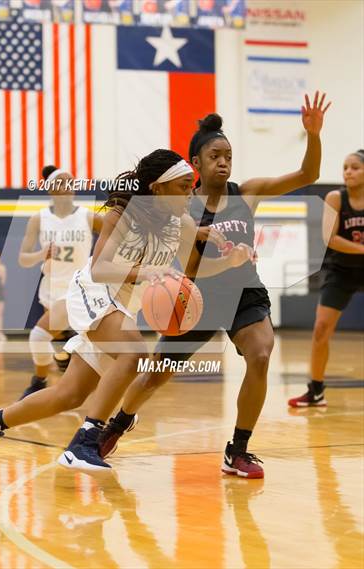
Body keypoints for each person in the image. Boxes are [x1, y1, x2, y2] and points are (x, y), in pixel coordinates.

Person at [0, 148, 253, 476]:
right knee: (134, 352)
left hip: (123, 304)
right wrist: (145, 273)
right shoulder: (123, 214)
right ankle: (83, 443)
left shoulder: (181, 222)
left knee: (69, 394)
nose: (191, 192)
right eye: (184, 186)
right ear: (158, 188)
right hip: (94, 291)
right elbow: (99, 268)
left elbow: (195, 271)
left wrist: (230, 260)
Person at [97, 91, 331, 479]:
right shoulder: (181, 206)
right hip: (195, 298)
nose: (223, 163)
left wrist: (314, 135)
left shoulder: (247, 192)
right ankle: (118, 423)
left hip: (244, 295)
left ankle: (237, 449)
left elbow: (307, 176)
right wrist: (230, 258)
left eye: (228, 157)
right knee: (157, 373)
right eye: (215, 157)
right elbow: (192, 269)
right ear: (196, 165)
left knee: (260, 354)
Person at [18, 165, 103, 399]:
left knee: (38, 336)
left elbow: (116, 231)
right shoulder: (38, 219)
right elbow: (23, 259)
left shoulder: (87, 216)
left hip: (76, 287)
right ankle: (64, 356)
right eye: (61, 182)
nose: (67, 186)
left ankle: (39, 381)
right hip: (50, 286)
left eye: (70, 181)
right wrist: (40, 255)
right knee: (56, 336)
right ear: (51, 189)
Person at [288, 149, 364, 408]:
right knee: (321, 329)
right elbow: (329, 238)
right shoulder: (336, 197)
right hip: (341, 270)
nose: (348, 172)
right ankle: (316, 390)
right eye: (345, 167)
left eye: (355, 167)